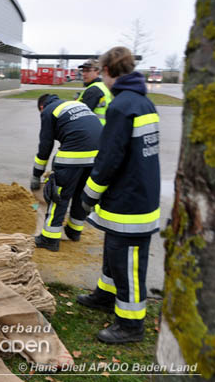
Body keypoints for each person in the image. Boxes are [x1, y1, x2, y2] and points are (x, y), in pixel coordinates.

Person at [78, 46, 160, 344]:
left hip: (130, 202)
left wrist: (88, 196)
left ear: (109, 72)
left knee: (128, 263)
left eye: (101, 71)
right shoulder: (144, 103)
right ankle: (105, 295)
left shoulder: (122, 106)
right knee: (114, 252)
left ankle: (130, 325)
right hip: (138, 196)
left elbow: (108, 159)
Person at [31, 94, 102, 252]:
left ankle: (49, 238)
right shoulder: (75, 105)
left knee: (58, 195)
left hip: (73, 156)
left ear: (41, 107)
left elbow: (45, 145)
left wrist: (36, 173)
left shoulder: (48, 111)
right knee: (80, 193)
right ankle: (74, 231)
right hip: (98, 156)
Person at [76, 58, 113, 125]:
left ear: (97, 72)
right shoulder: (102, 86)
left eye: (87, 71)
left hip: (93, 129)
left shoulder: (93, 90)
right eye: (83, 71)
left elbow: (80, 115)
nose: (84, 74)